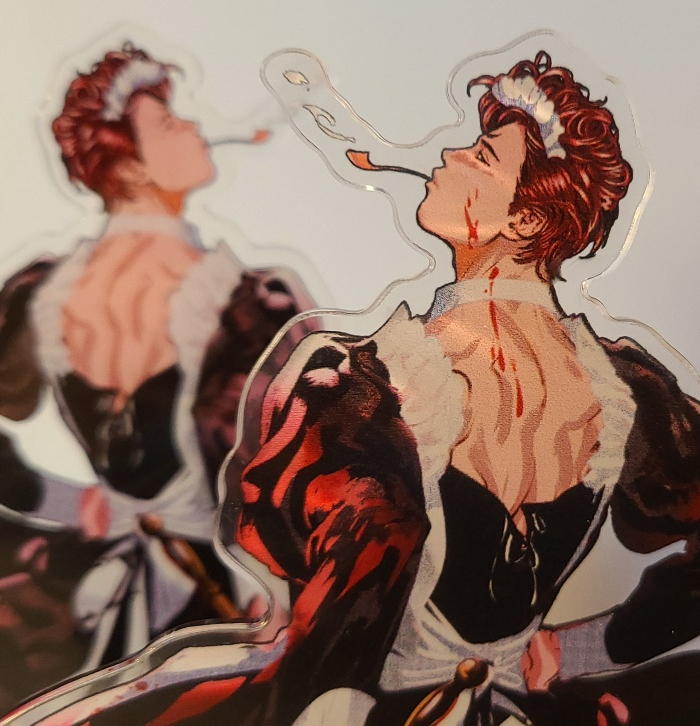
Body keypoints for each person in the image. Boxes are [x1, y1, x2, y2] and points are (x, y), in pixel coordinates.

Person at [10, 50, 700, 726]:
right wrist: (581, 648)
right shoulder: (624, 389)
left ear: (524, 221)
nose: (450, 154)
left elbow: (312, 589)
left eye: (482, 155)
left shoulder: (360, 384)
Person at [0, 44, 313, 711]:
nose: (194, 127)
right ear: (133, 166)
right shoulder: (254, 303)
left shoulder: (40, 292)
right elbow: (312, 471)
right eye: (169, 122)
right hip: (218, 617)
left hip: (96, 600)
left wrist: (63, 498)